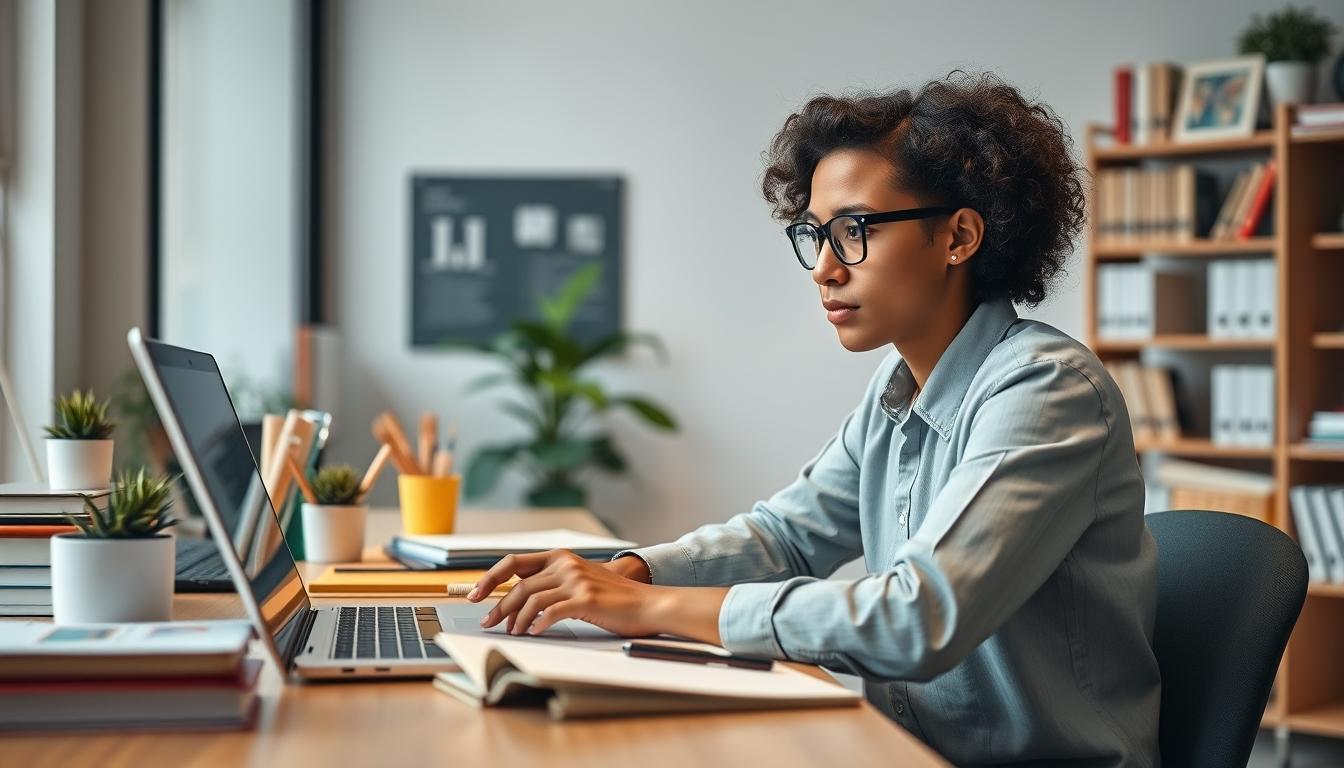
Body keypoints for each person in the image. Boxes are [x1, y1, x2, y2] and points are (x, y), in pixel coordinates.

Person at [468, 72, 1160, 767]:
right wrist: (628, 573)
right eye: (815, 235)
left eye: (855, 230)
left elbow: (917, 618)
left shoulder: (1047, 391)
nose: (824, 268)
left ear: (959, 236)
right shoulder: (895, 396)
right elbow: (784, 539)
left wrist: (643, 610)